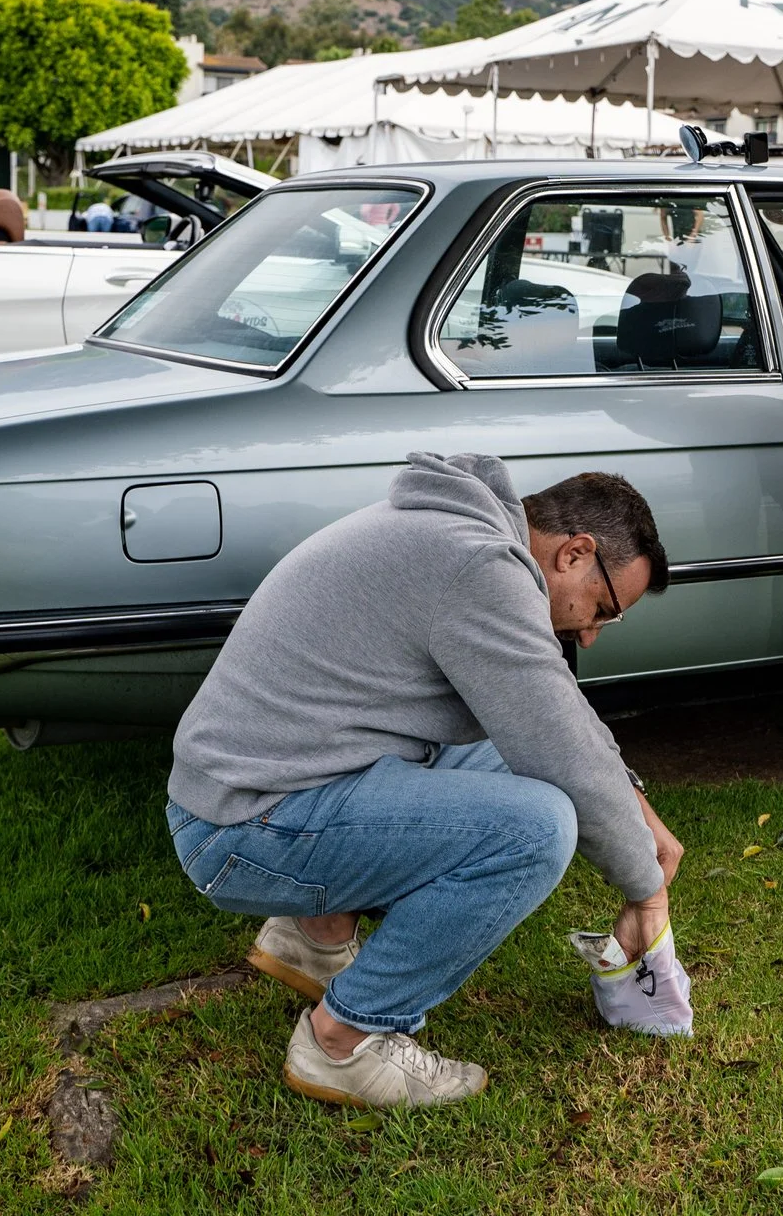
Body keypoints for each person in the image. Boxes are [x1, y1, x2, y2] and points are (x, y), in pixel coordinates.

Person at [166, 455, 681, 1109]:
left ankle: (313, 934)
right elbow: (562, 751)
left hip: (243, 799)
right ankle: (344, 1040)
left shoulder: (456, 533)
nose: (591, 632)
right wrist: (647, 890)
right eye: (602, 607)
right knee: (537, 827)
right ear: (576, 552)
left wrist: (635, 807)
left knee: (506, 762)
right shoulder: (479, 568)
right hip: (239, 827)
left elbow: (556, 724)